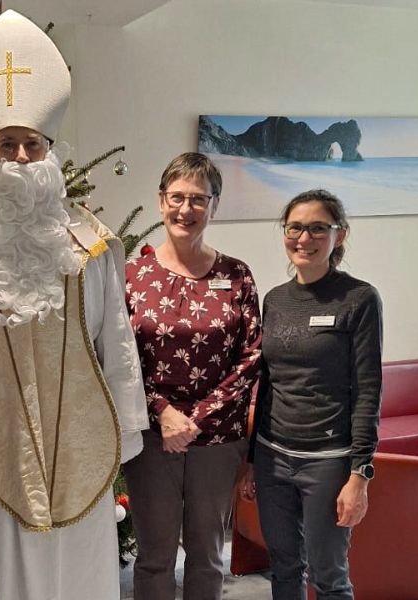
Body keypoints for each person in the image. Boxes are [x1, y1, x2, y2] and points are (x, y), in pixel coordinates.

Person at [0, 9, 149, 600]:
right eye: (6, 144)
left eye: (31, 144)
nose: (19, 156)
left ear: (49, 152)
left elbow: (115, 342)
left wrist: (123, 428)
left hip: (80, 436)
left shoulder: (92, 245)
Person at [123, 152, 262, 600]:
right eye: (177, 197)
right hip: (150, 437)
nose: (186, 209)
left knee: (207, 555)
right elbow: (117, 359)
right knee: (154, 556)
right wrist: (162, 412)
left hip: (217, 439)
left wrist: (197, 418)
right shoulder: (131, 276)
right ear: (161, 202)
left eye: (198, 199)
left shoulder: (237, 275)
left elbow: (251, 356)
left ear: (214, 206)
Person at [241, 188, 383, 600]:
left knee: (329, 577)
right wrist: (252, 459)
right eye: (295, 228)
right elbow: (267, 384)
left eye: (318, 228)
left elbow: (368, 389)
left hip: (327, 462)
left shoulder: (359, 299)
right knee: (283, 569)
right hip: (272, 458)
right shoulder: (276, 299)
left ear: (339, 235)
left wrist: (360, 475)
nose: (304, 238)